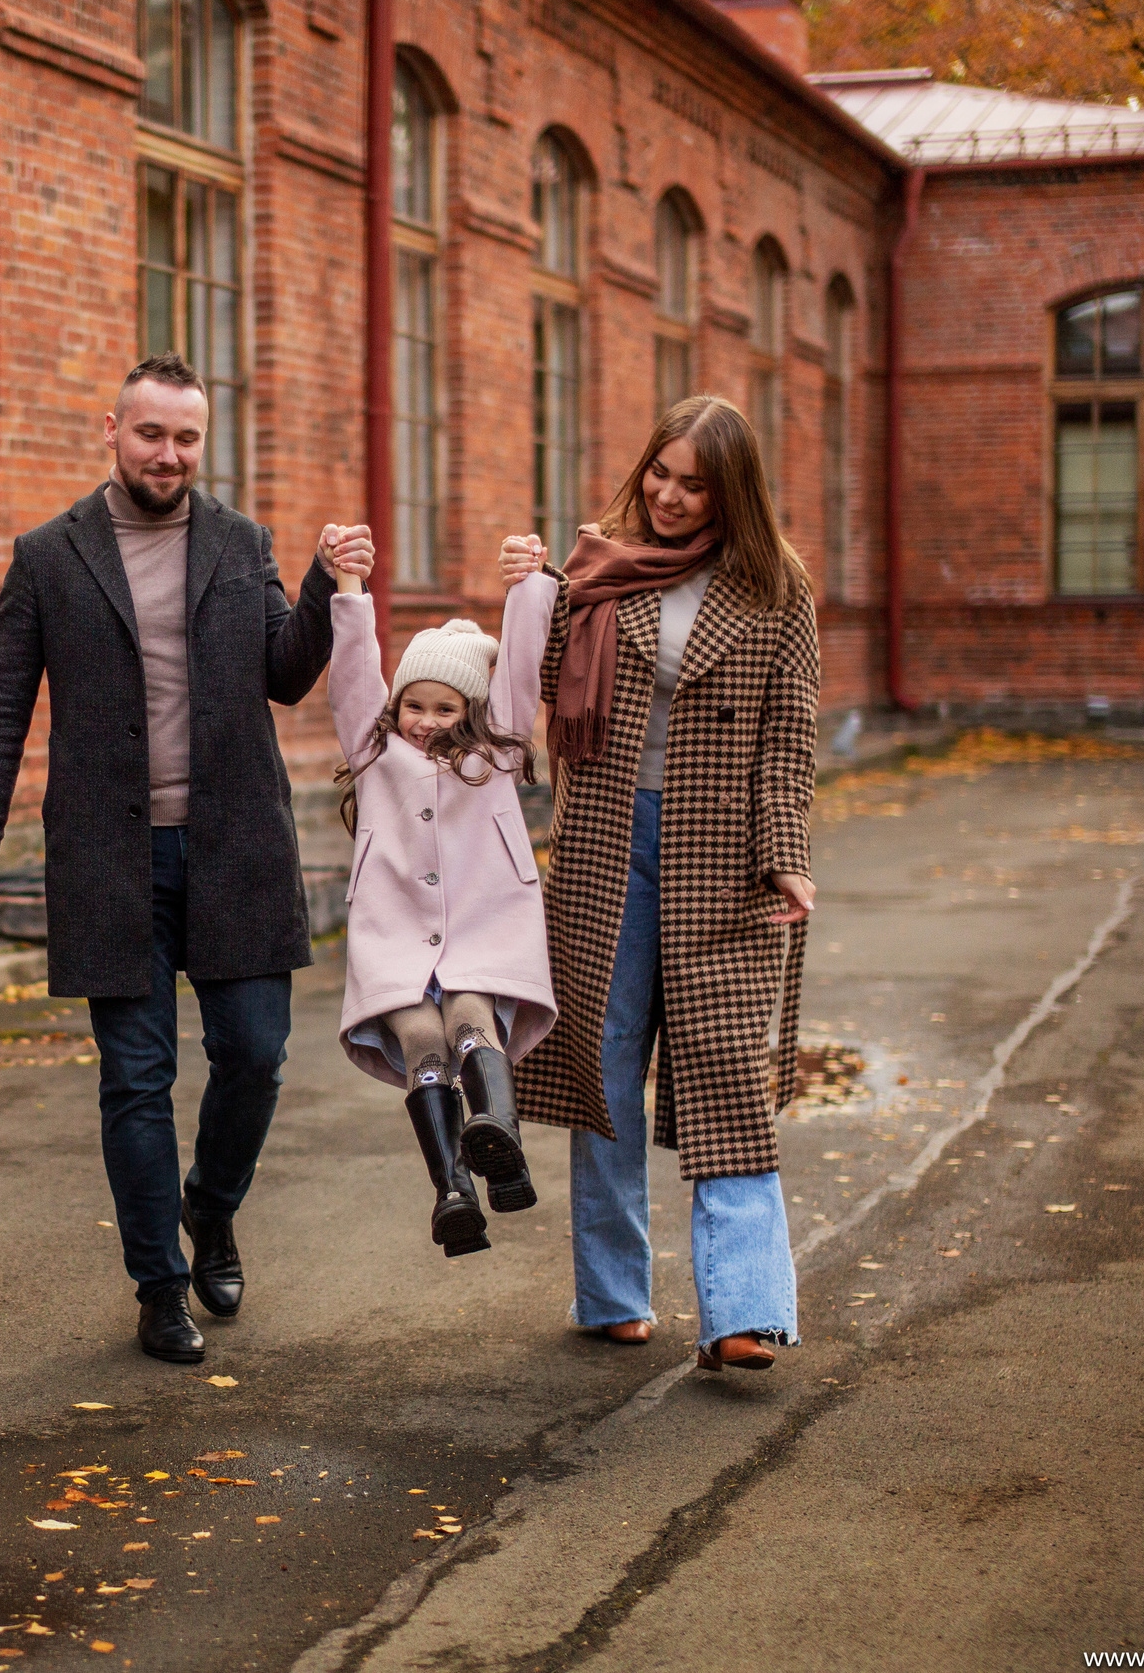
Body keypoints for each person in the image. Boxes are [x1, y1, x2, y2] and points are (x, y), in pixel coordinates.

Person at [0, 353, 369, 1365]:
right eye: (150, 435)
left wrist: (320, 581)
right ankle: (158, 1287)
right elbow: (1, 702)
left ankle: (210, 1210)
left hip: (236, 850)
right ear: (111, 431)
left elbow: (283, 672)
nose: (168, 455)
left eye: (185, 439)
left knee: (255, 1057)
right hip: (107, 859)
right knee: (135, 1081)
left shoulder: (238, 543)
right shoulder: (49, 556)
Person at [505, 394, 820, 1373]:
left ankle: (743, 1308)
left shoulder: (775, 591)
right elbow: (546, 683)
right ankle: (611, 1293)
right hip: (606, 844)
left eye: (694, 483)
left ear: (731, 492)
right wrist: (533, 593)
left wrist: (786, 855)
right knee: (602, 1064)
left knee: (727, 1074)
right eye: (660, 474)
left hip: (720, 855)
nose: (671, 497)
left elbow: (789, 736)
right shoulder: (600, 571)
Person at [325, 528, 561, 1257]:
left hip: (482, 926)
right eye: (415, 706)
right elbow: (355, 673)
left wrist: (528, 585)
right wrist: (349, 586)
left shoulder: (498, 754)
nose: (426, 722)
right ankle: (452, 1189)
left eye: (446, 709)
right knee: (422, 1042)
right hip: (393, 930)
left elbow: (521, 671)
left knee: (467, 1021)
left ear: (474, 712)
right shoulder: (372, 750)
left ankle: (500, 1139)